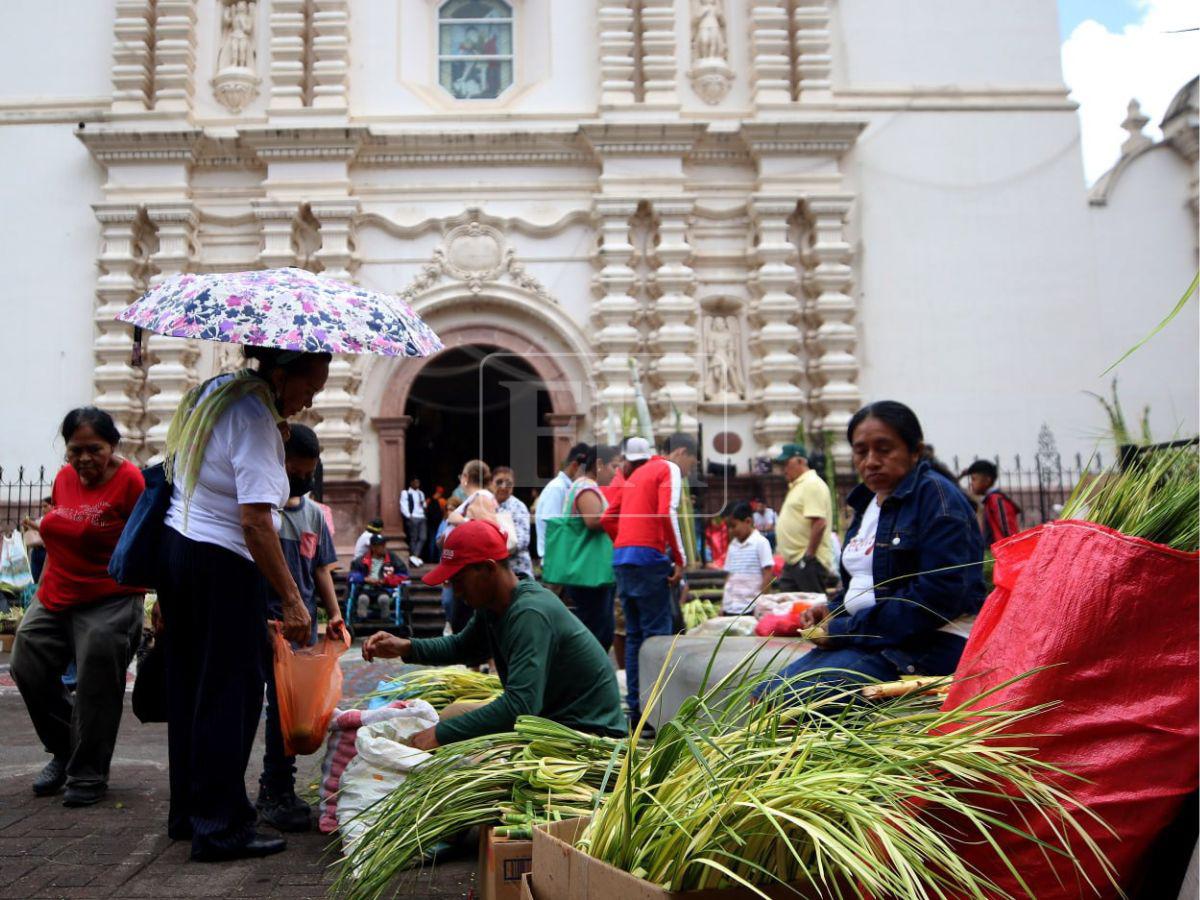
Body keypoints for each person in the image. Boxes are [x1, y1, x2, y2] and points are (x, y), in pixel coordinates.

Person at [157, 347, 329, 862]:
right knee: (230, 696)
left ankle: (189, 814)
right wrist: (296, 602)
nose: (309, 401)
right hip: (222, 562)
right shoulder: (255, 416)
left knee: (191, 689)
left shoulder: (215, 392)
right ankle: (222, 828)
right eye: (307, 388)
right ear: (279, 375)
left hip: (180, 548)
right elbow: (256, 521)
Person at [758, 401, 986, 698]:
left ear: (914, 451)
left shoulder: (939, 500)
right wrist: (832, 609)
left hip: (929, 642)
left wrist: (845, 629)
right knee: (762, 695)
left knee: (790, 702)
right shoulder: (868, 502)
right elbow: (863, 583)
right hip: (873, 638)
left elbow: (936, 600)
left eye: (884, 449)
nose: (871, 461)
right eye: (861, 451)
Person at [361, 521, 626, 748]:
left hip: (585, 732)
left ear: (488, 570)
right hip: (548, 717)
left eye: (459, 581)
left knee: (471, 757)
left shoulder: (529, 614)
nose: (457, 592)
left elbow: (520, 706)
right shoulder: (495, 605)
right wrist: (405, 647)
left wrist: (441, 735)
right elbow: (463, 647)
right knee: (452, 714)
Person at [10, 408, 145, 808]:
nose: (84, 459)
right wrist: (40, 587)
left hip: (111, 595)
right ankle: (64, 748)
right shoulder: (66, 477)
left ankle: (88, 773)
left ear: (113, 446)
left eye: (94, 449)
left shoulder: (131, 482)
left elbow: (148, 539)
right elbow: (60, 529)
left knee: (96, 679)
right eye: (75, 450)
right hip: (57, 589)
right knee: (27, 663)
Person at [256, 424, 345, 832]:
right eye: (297, 471)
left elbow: (321, 570)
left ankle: (280, 787)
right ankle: (271, 791)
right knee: (260, 710)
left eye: (309, 473)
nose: (303, 479)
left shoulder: (312, 514)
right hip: (264, 625)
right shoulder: (261, 513)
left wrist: (335, 613)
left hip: (300, 629)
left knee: (291, 716)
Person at [601, 433, 697, 724]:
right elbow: (666, 512)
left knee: (634, 638)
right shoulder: (667, 469)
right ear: (681, 452)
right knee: (659, 638)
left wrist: (626, 546)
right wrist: (679, 560)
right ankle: (659, 716)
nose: (691, 466)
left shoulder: (632, 477)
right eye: (692, 459)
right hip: (648, 559)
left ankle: (636, 712)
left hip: (622, 559)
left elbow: (607, 518)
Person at [557, 446, 617, 652]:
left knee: (600, 627)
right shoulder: (585, 487)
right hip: (588, 570)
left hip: (592, 570)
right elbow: (592, 520)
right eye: (614, 465)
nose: (617, 472)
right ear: (599, 464)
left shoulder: (586, 486)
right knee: (596, 629)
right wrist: (620, 512)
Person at [442, 459, 497, 632]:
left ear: (465, 477)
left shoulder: (481, 497)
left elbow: (488, 530)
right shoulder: (475, 498)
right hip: (464, 570)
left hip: (472, 571)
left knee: (468, 625)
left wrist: (460, 521)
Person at [773, 444, 835, 594]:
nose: (784, 469)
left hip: (807, 561)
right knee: (789, 609)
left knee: (813, 610)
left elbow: (819, 523)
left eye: (786, 464)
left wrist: (809, 556)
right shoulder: (798, 485)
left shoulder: (812, 484)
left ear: (801, 461)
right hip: (794, 561)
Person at [534, 443, 590, 565]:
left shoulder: (570, 488)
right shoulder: (557, 488)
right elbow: (553, 528)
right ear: (575, 466)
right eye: (587, 471)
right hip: (556, 562)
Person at [720, 501, 775, 615]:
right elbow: (729, 576)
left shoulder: (761, 543)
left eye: (733, 526)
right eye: (728, 527)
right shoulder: (732, 546)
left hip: (751, 607)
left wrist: (761, 603)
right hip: (731, 606)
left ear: (748, 521)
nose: (730, 531)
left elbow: (767, 574)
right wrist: (723, 604)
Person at [962, 459, 1022, 546]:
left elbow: (1009, 532)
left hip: (1003, 552)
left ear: (987, 480)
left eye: (974, 479)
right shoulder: (989, 500)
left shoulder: (997, 500)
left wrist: (1011, 548)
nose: (971, 483)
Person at [349, 535, 408, 620]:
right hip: (365, 589)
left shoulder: (393, 558)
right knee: (363, 599)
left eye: (384, 545)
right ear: (373, 548)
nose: (384, 547)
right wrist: (365, 579)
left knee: (384, 599)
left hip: (384, 589)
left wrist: (387, 580)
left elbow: (403, 575)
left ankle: (386, 623)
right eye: (381, 545)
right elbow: (352, 575)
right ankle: (361, 624)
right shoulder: (361, 560)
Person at [490, 467, 533, 578]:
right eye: (499, 482)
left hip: (517, 571)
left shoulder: (519, 507)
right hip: (493, 572)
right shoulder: (485, 505)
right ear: (491, 483)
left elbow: (522, 541)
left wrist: (492, 550)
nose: (504, 486)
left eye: (508, 483)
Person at [20, 497, 53, 583]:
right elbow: (31, 534)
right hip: (36, 551)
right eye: (42, 507)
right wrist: (26, 527)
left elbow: (44, 530)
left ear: (53, 506)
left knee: (46, 581)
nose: (43, 509)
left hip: (47, 553)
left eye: (45, 506)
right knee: (35, 579)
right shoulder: (41, 519)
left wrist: (31, 523)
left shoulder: (55, 520)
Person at [400, 478, 427, 560]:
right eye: (415, 482)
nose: (417, 484)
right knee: (413, 538)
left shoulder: (420, 493)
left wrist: (424, 505)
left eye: (418, 482)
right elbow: (403, 505)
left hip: (421, 516)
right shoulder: (406, 493)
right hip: (413, 517)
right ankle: (415, 558)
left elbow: (424, 505)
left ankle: (414, 556)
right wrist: (409, 516)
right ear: (411, 482)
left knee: (423, 537)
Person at [424, 487, 446, 561]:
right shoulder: (442, 501)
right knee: (439, 539)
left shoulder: (429, 500)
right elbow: (444, 511)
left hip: (430, 523)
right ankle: (438, 559)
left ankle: (430, 558)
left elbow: (425, 509)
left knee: (431, 540)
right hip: (439, 523)